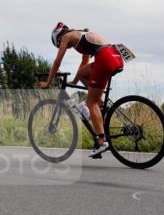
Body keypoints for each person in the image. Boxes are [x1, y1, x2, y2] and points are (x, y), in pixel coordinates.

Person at [39, 22, 124, 158]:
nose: (62, 45)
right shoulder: (81, 35)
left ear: (59, 37)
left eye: (59, 43)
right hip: (114, 55)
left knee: (91, 103)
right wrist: (74, 81)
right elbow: (83, 66)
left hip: (104, 58)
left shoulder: (67, 37)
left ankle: (102, 142)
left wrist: (48, 83)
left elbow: (57, 62)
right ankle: (100, 102)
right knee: (83, 73)